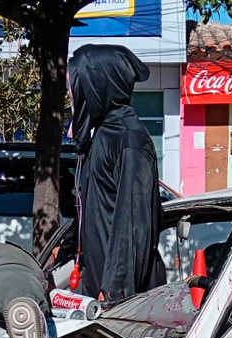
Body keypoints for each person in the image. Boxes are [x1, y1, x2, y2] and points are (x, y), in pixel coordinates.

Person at [55, 43, 166, 303]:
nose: (73, 99)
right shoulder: (104, 137)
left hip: (119, 301)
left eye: (76, 92)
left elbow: (131, 222)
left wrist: (114, 291)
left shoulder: (130, 142)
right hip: (95, 290)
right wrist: (66, 246)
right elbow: (92, 206)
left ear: (98, 87)